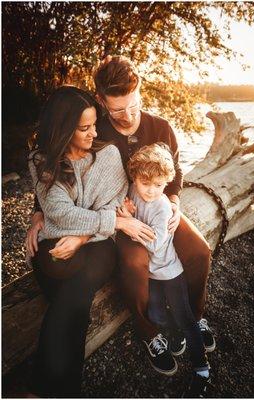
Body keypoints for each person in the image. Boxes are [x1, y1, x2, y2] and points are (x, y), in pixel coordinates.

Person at [26, 56, 215, 377]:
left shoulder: (160, 127)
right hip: (116, 216)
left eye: (134, 105)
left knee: (199, 251)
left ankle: (195, 316)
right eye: (117, 110)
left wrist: (173, 199)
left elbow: (176, 171)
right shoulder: (94, 132)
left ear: (140, 93)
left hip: (158, 206)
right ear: (101, 101)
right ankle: (148, 332)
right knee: (133, 263)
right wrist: (37, 212)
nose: (127, 116)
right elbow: (62, 169)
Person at [26, 86, 132, 397]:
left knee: (77, 288)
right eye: (84, 128)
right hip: (56, 243)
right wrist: (108, 221)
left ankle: (40, 390)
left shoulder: (108, 155)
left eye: (94, 125)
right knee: (73, 292)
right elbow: (58, 212)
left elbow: (115, 202)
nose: (93, 133)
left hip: (99, 244)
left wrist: (83, 235)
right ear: (62, 128)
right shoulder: (42, 159)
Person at [117, 143, 212, 397]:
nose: (151, 191)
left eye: (159, 185)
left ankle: (202, 367)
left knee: (185, 317)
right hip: (152, 275)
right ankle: (173, 334)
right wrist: (124, 212)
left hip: (170, 272)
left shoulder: (160, 206)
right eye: (145, 183)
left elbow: (157, 244)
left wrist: (131, 223)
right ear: (134, 177)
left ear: (166, 183)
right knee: (157, 315)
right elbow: (123, 203)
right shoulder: (131, 191)